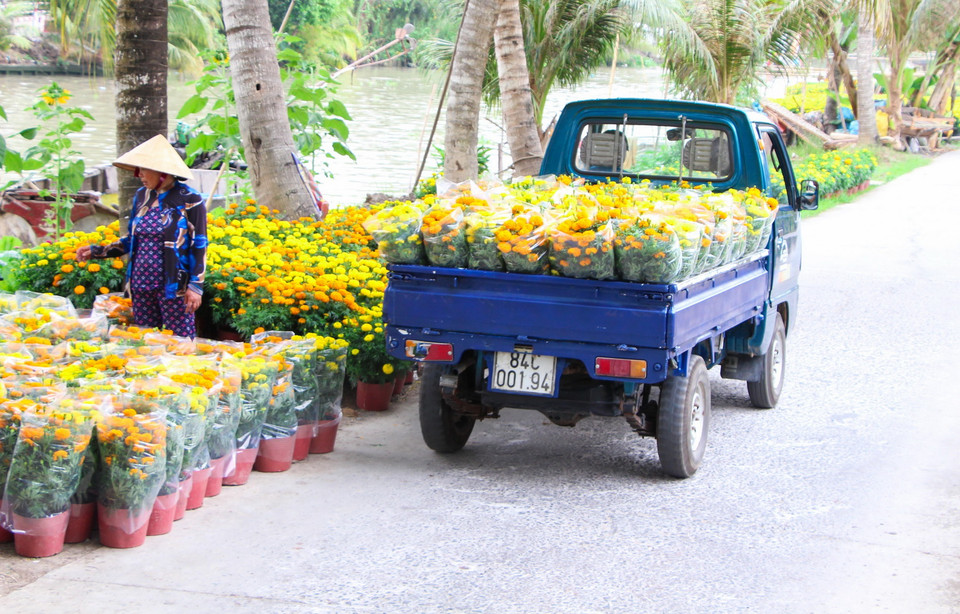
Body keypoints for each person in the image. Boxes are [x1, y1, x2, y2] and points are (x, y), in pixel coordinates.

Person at [76, 134, 207, 337]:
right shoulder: (142, 196)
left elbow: (199, 244)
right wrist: (96, 251)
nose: (139, 174)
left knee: (179, 340)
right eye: (138, 169)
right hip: (141, 283)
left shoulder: (190, 199)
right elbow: (131, 240)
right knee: (146, 339)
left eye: (144, 169)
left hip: (173, 286)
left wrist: (196, 286)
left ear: (162, 171)